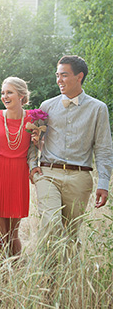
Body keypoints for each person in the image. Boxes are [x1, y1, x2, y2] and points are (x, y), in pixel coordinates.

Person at [30, 55, 113, 243]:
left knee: (70, 237)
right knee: (51, 224)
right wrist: (32, 166)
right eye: (57, 75)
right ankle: (45, 272)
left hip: (80, 178)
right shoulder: (47, 106)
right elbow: (32, 139)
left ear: (79, 76)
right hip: (48, 174)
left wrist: (103, 183)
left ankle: (70, 273)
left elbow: (103, 149)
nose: (59, 80)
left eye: (64, 75)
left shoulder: (98, 109)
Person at [0, 77, 35, 257]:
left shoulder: (33, 118)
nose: (5, 96)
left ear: (22, 95)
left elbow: (37, 148)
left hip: (17, 179)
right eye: (3, 93)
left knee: (12, 236)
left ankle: (17, 277)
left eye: (9, 92)